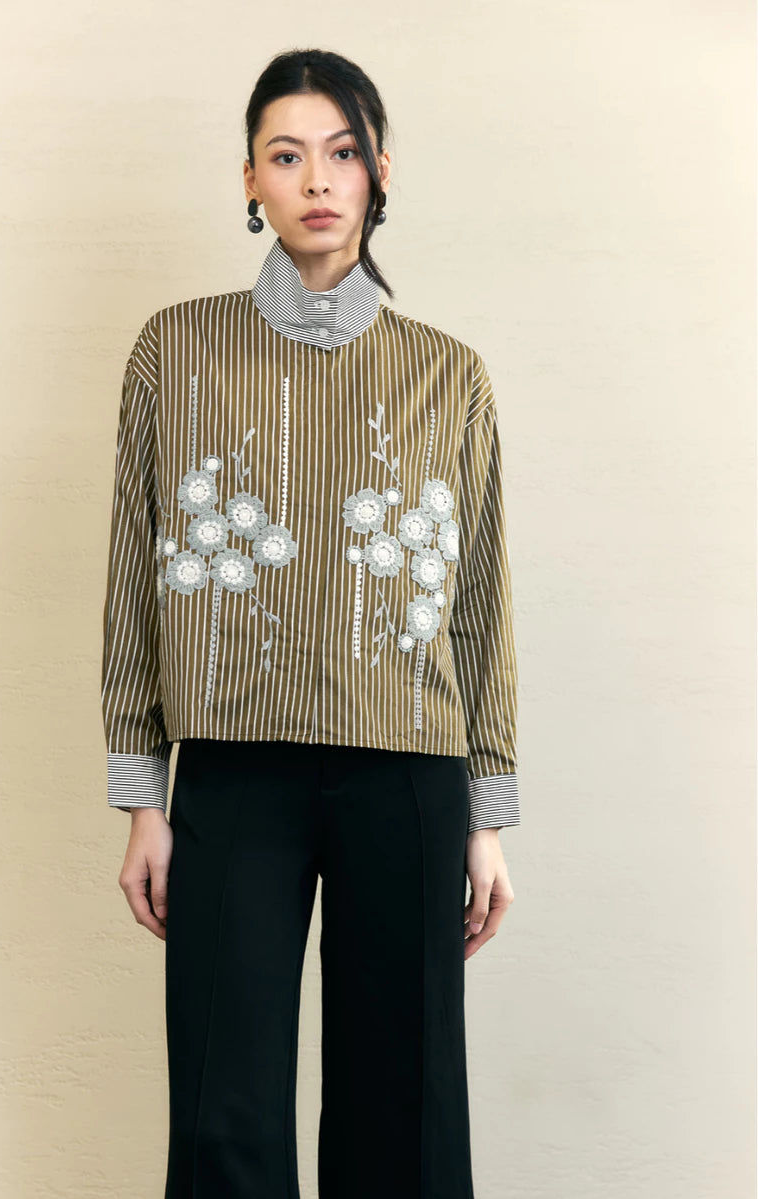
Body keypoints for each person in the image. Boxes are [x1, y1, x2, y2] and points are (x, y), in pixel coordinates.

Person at [100, 46, 519, 1199]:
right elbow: (134, 575)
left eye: (340, 153)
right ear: (250, 180)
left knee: (408, 1109)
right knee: (225, 1104)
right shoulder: (173, 354)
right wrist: (143, 794)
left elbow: (479, 607)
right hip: (234, 771)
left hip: (411, 772)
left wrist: (486, 817)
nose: (316, 179)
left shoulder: (452, 377)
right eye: (287, 155)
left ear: (381, 173)